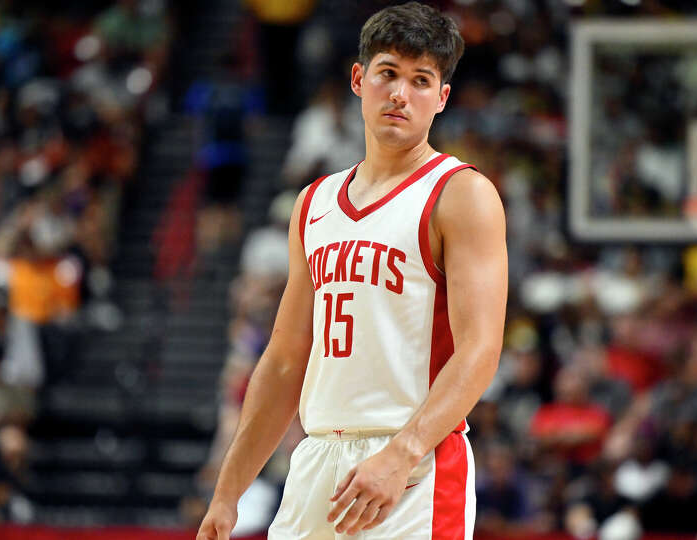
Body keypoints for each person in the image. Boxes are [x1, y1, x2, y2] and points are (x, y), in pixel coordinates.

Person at [197, 3, 508, 538]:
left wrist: (404, 452)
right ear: (359, 79)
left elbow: (479, 349)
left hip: (415, 464)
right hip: (317, 458)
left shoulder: (462, 195)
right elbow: (284, 360)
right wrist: (227, 494)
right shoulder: (313, 203)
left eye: (421, 80)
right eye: (388, 73)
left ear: (442, 98)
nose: (400, 93)